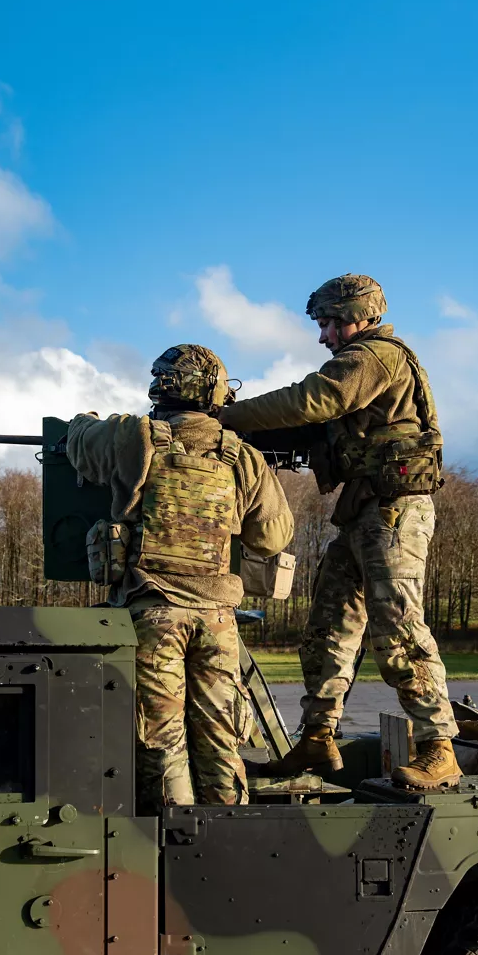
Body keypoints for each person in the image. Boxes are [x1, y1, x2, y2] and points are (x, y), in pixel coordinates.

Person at [219, 274, 460, 791]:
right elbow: (311, 425)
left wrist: (225, 417)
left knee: (397, 629)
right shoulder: (364, 364)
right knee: (328, 629)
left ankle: (440, 747)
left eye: (328, 323)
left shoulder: (376, 356)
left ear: (357, 315)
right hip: (363, 512)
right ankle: (316, 739)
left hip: (393, 512)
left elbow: (314, 399)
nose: (323, 335)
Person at [66, 345, 294, 811]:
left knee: (161, 737)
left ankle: (177, 836)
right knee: (220, 735)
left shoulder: (133, 437)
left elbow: (80, 441)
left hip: (153, 612)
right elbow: (272, 536)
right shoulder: (242, 456)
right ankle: (227, 833)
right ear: (215, 392)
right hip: (216, 619)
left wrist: (81, 420)